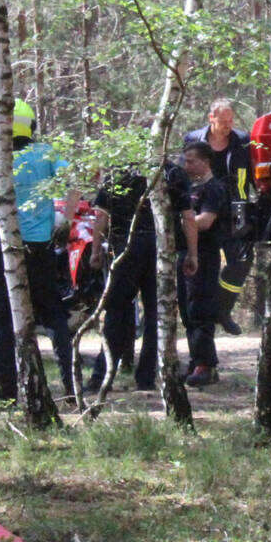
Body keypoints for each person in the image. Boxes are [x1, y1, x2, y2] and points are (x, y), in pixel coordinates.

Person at [0, 99, 73, 404]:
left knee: (3, 317)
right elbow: (74, 181)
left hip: (8, 248)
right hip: (41, 248)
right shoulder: (47, 154)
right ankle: (70, 387)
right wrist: (64, 219)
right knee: (54, 316)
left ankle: (5, 393)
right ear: (32, 126)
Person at [83, 162, 181, 393]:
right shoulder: (170, 172)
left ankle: (102, 375)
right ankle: (146, 377)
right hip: (158, 249)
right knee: (156, 314)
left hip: (126, 249)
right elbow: (185, 215)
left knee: (117, 313)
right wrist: (189, 253)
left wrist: (96, 251)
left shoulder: (118, 173)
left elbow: (102, 217)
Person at [185, 99, 254, 333]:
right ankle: (199, 320)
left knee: (242, 259)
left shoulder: (242, 140)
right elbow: (185, 172)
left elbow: (248, 172)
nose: (228, 125)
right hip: (203, 209)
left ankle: (222, 309)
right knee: (202, 265)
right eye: (223, 121)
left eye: (231, 121)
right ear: (211, 118)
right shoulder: (193, 139)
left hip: (234, 208)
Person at [178, 142, 230, 386]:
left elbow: (206, 221)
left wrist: (181, 223)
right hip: (185, 253)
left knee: (200, 309)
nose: (185, 165)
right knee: (187, 311)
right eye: (184, 160)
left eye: (190, 160)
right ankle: (194, 360)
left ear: (205, 162)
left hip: (205, 256)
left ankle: (205, 365)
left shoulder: (214, 189)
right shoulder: (187, 188)